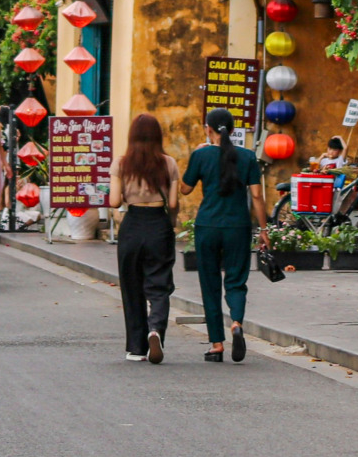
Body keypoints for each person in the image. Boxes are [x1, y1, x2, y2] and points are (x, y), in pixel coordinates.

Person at [182, 108, 269, 363]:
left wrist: (196, 156)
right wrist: (264, 230)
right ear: (232, 131)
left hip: (207, 226)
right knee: (236, 281)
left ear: (208, 129)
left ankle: (217, 345)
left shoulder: (201, 155)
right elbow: (256, 196)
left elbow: (185, 189)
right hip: (238, 227)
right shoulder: (247, 157)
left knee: (209, 284)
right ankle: (237, 324)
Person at [110, 114, 180, 363]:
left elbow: (115, 201)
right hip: (158, 225)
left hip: (132, 226)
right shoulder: (169, 163)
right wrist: (171, 226)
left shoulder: (121, 164)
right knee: (159, 284)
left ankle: (137, 348)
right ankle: (156, 330)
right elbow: (172, 203)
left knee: (132, 285)